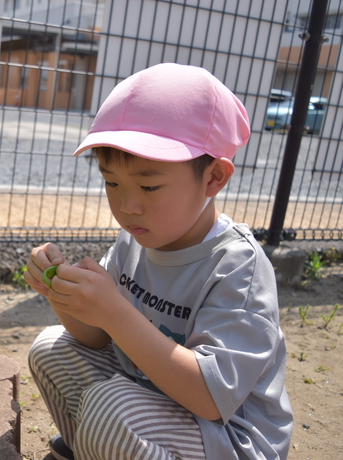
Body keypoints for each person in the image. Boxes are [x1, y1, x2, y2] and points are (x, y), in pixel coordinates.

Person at [24, 63, 293, 460]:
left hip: (226, 437)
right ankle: (92, 447)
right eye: (111, 182)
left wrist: (115, 313)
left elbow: (210, 399)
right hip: (151, 403)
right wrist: (59, 292)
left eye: (149, 185)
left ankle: (102, 437)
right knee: (50, 348)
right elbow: (96, 337)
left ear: (214, 177)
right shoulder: (136, 240)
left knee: (110, 409)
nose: (127, 206)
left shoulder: (236, 267)